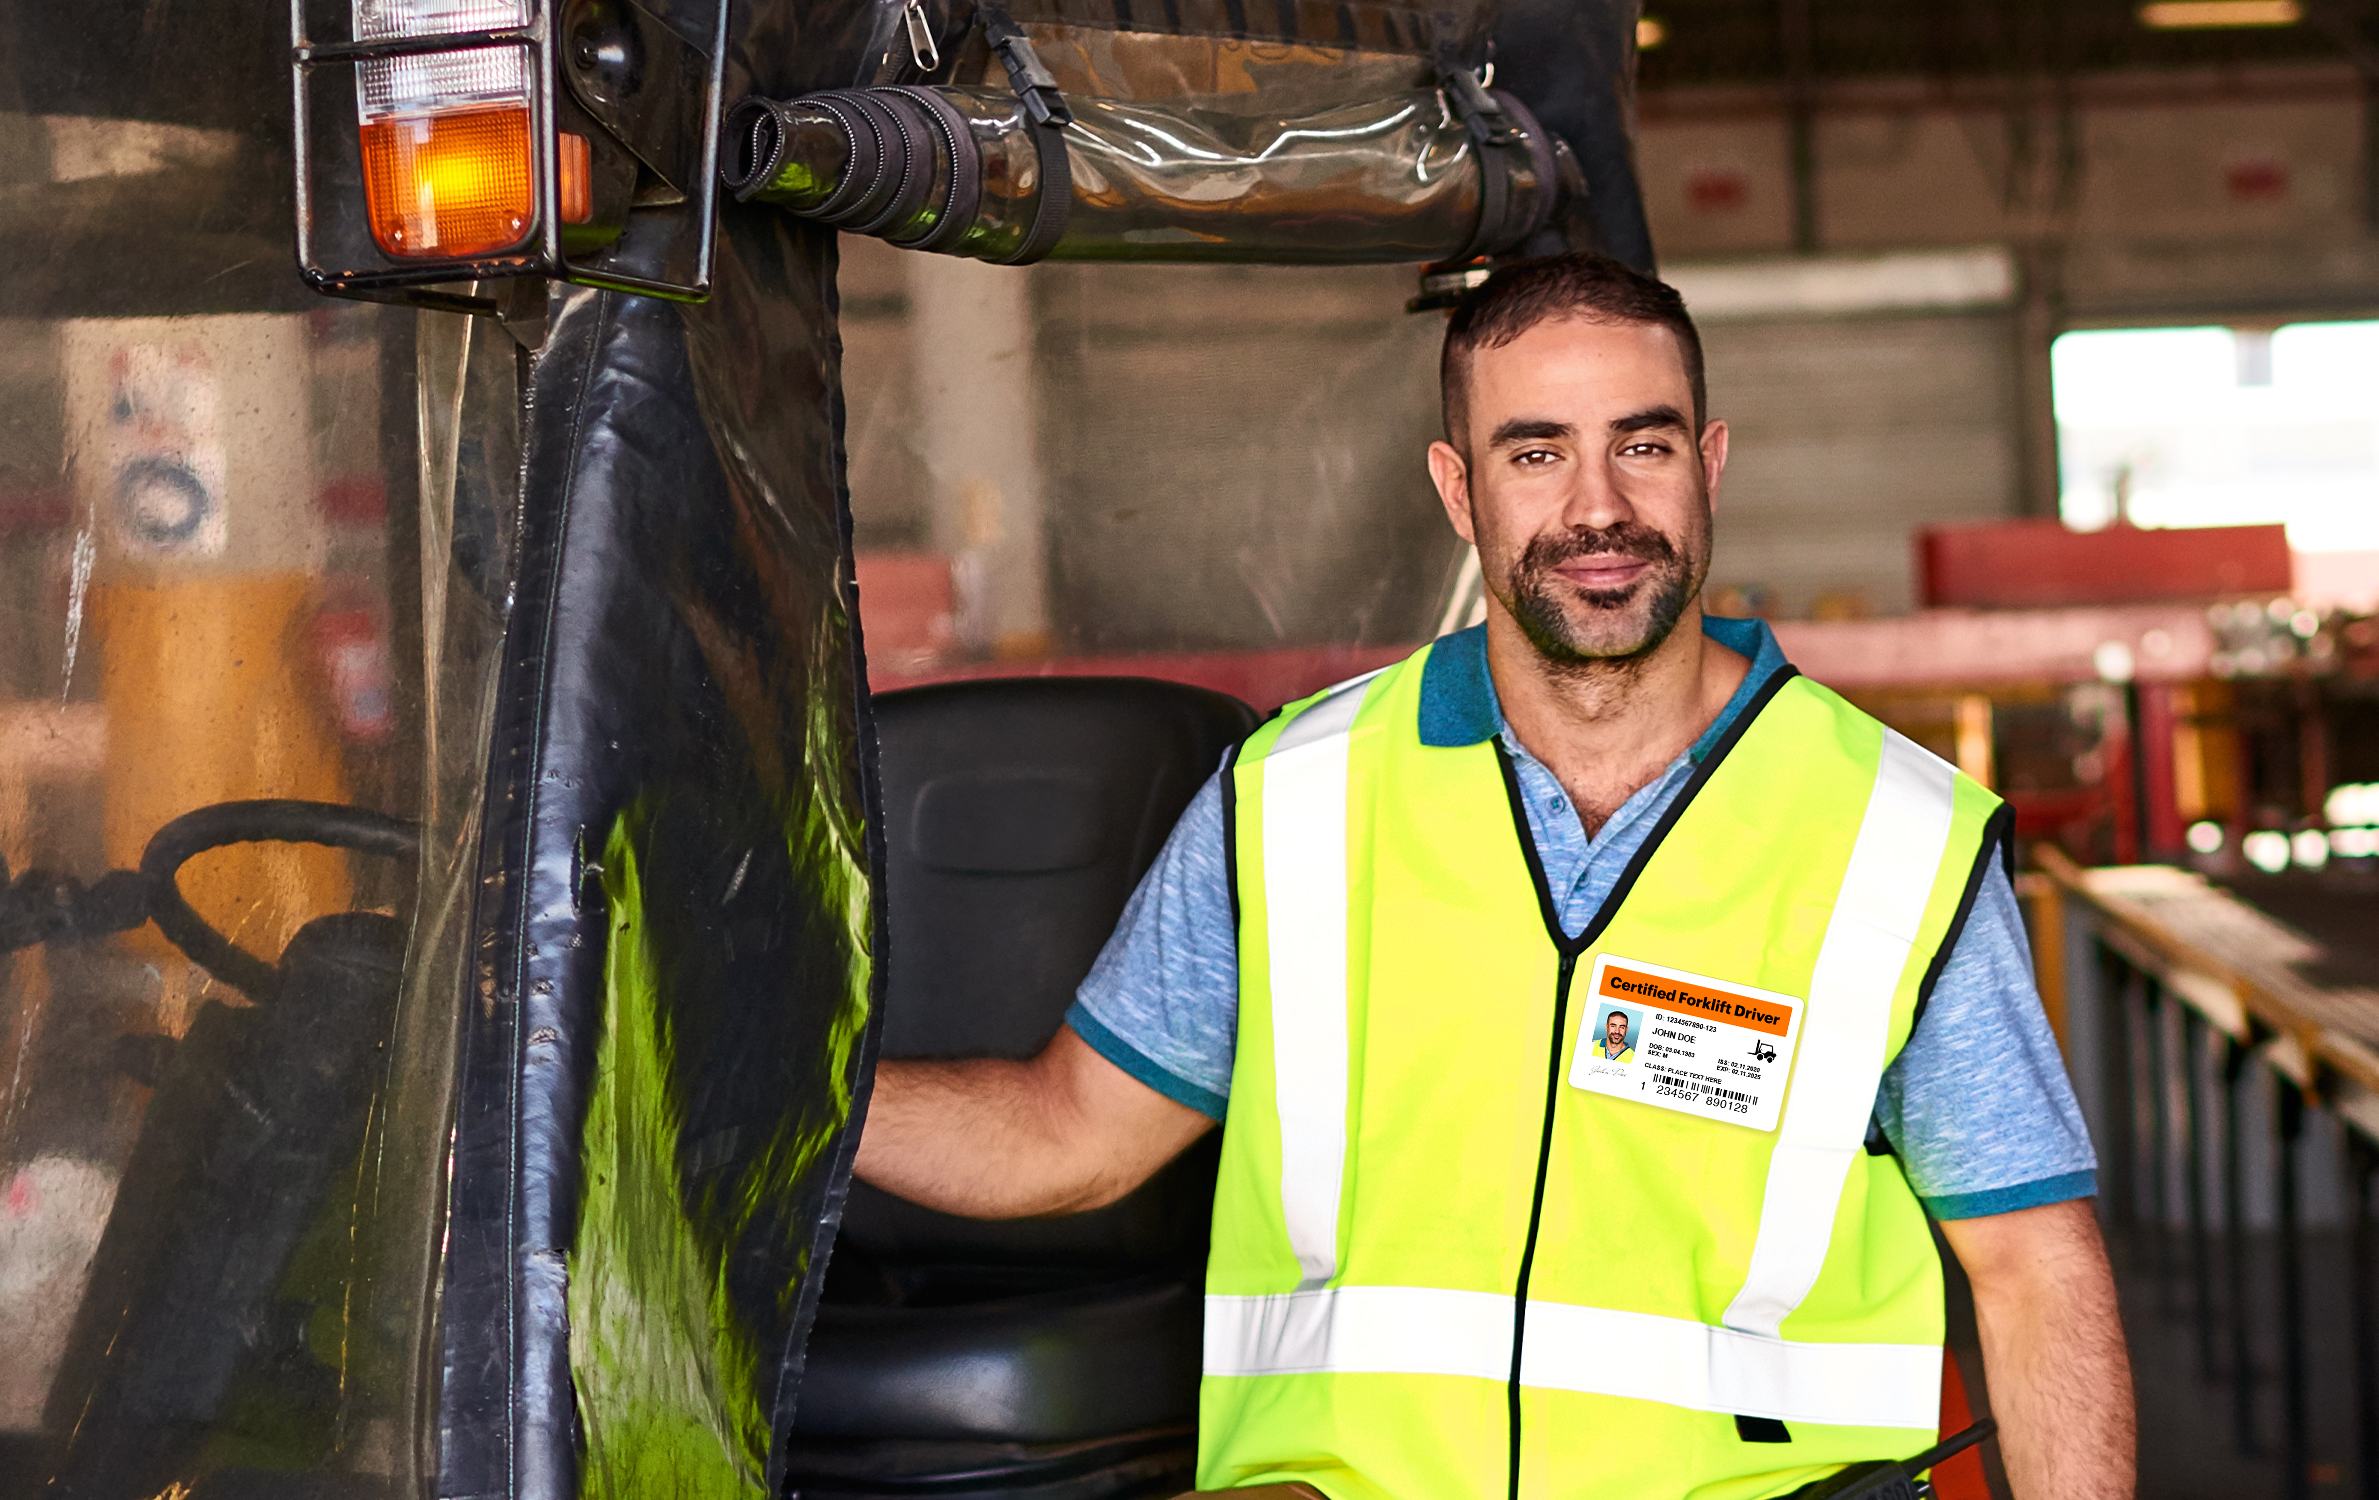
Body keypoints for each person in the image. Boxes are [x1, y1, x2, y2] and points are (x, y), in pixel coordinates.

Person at [855, 254, 2134, 1500]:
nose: (1598, 508)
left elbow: (2031, 1262)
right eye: (1537, 453)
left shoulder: (1894, 835)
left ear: (1711, 462)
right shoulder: (1294, 798)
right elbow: (1068, 1136)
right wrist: (768, 1083)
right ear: (1459, 491)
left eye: (1644, 444)